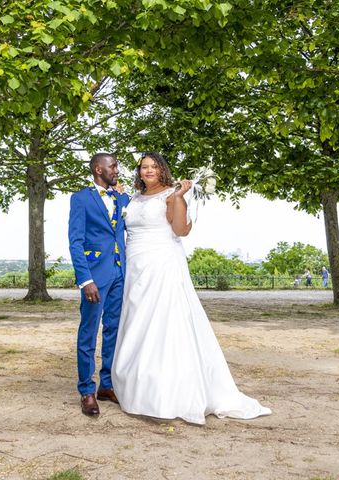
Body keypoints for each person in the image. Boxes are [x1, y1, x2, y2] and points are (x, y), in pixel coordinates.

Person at [111, 152, 271, 424]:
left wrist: (180, 198)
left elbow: (181, 230)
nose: (148, 171)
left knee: (163, 323)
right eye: (143, 167)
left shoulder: (171, 195)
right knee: (137, 322)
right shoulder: (132, 199)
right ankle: (138, 386)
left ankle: (168, 393)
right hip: (135, 266)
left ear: (163, 170)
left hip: (162, 264)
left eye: (153, 167)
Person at [68, 152, 130, 416]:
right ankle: (86, 390)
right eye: (112, 166)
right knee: (89, 331)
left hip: (119, 274)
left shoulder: (121, 198)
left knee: (114, 330)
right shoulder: (80, 199)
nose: (116, 169)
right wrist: (85, 280)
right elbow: (76, 242)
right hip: (95, 277)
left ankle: (106, 384)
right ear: (98, 169)